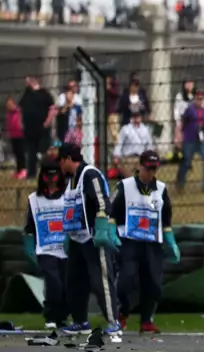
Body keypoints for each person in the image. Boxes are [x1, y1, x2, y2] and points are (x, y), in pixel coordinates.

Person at [57, 142, 123, 341]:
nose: (60, 166)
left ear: (68, 159)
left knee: (100, 280)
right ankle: (80, 321)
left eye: (61, 160)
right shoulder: (71, 182)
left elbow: (102, 201)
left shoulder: (89, 174)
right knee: (74, 281)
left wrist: (101, 226)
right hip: (77, 239)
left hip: (92, 237)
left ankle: (114, 321)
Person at [110, 150, 178, 334]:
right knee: (126, 280)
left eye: (154, 169)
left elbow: (166, 219)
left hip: (152, 243)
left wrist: (171, 241)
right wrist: (111, 232)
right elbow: (111, 212)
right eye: (147, 168)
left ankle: (147, 320)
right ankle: (123, 311)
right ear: (139, 166)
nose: (150, 173)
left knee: (154, 284)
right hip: (129, 241)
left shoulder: (161, 189)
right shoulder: (124, 186)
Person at [22, 157, 68, 329]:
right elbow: (29, 225)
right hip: (45, 248)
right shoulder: (34, 199)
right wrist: (29, 245)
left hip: (65, 248)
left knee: (65, 284)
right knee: (53, 282)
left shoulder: (67, 196)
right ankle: (51, 316)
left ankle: (62, 317)